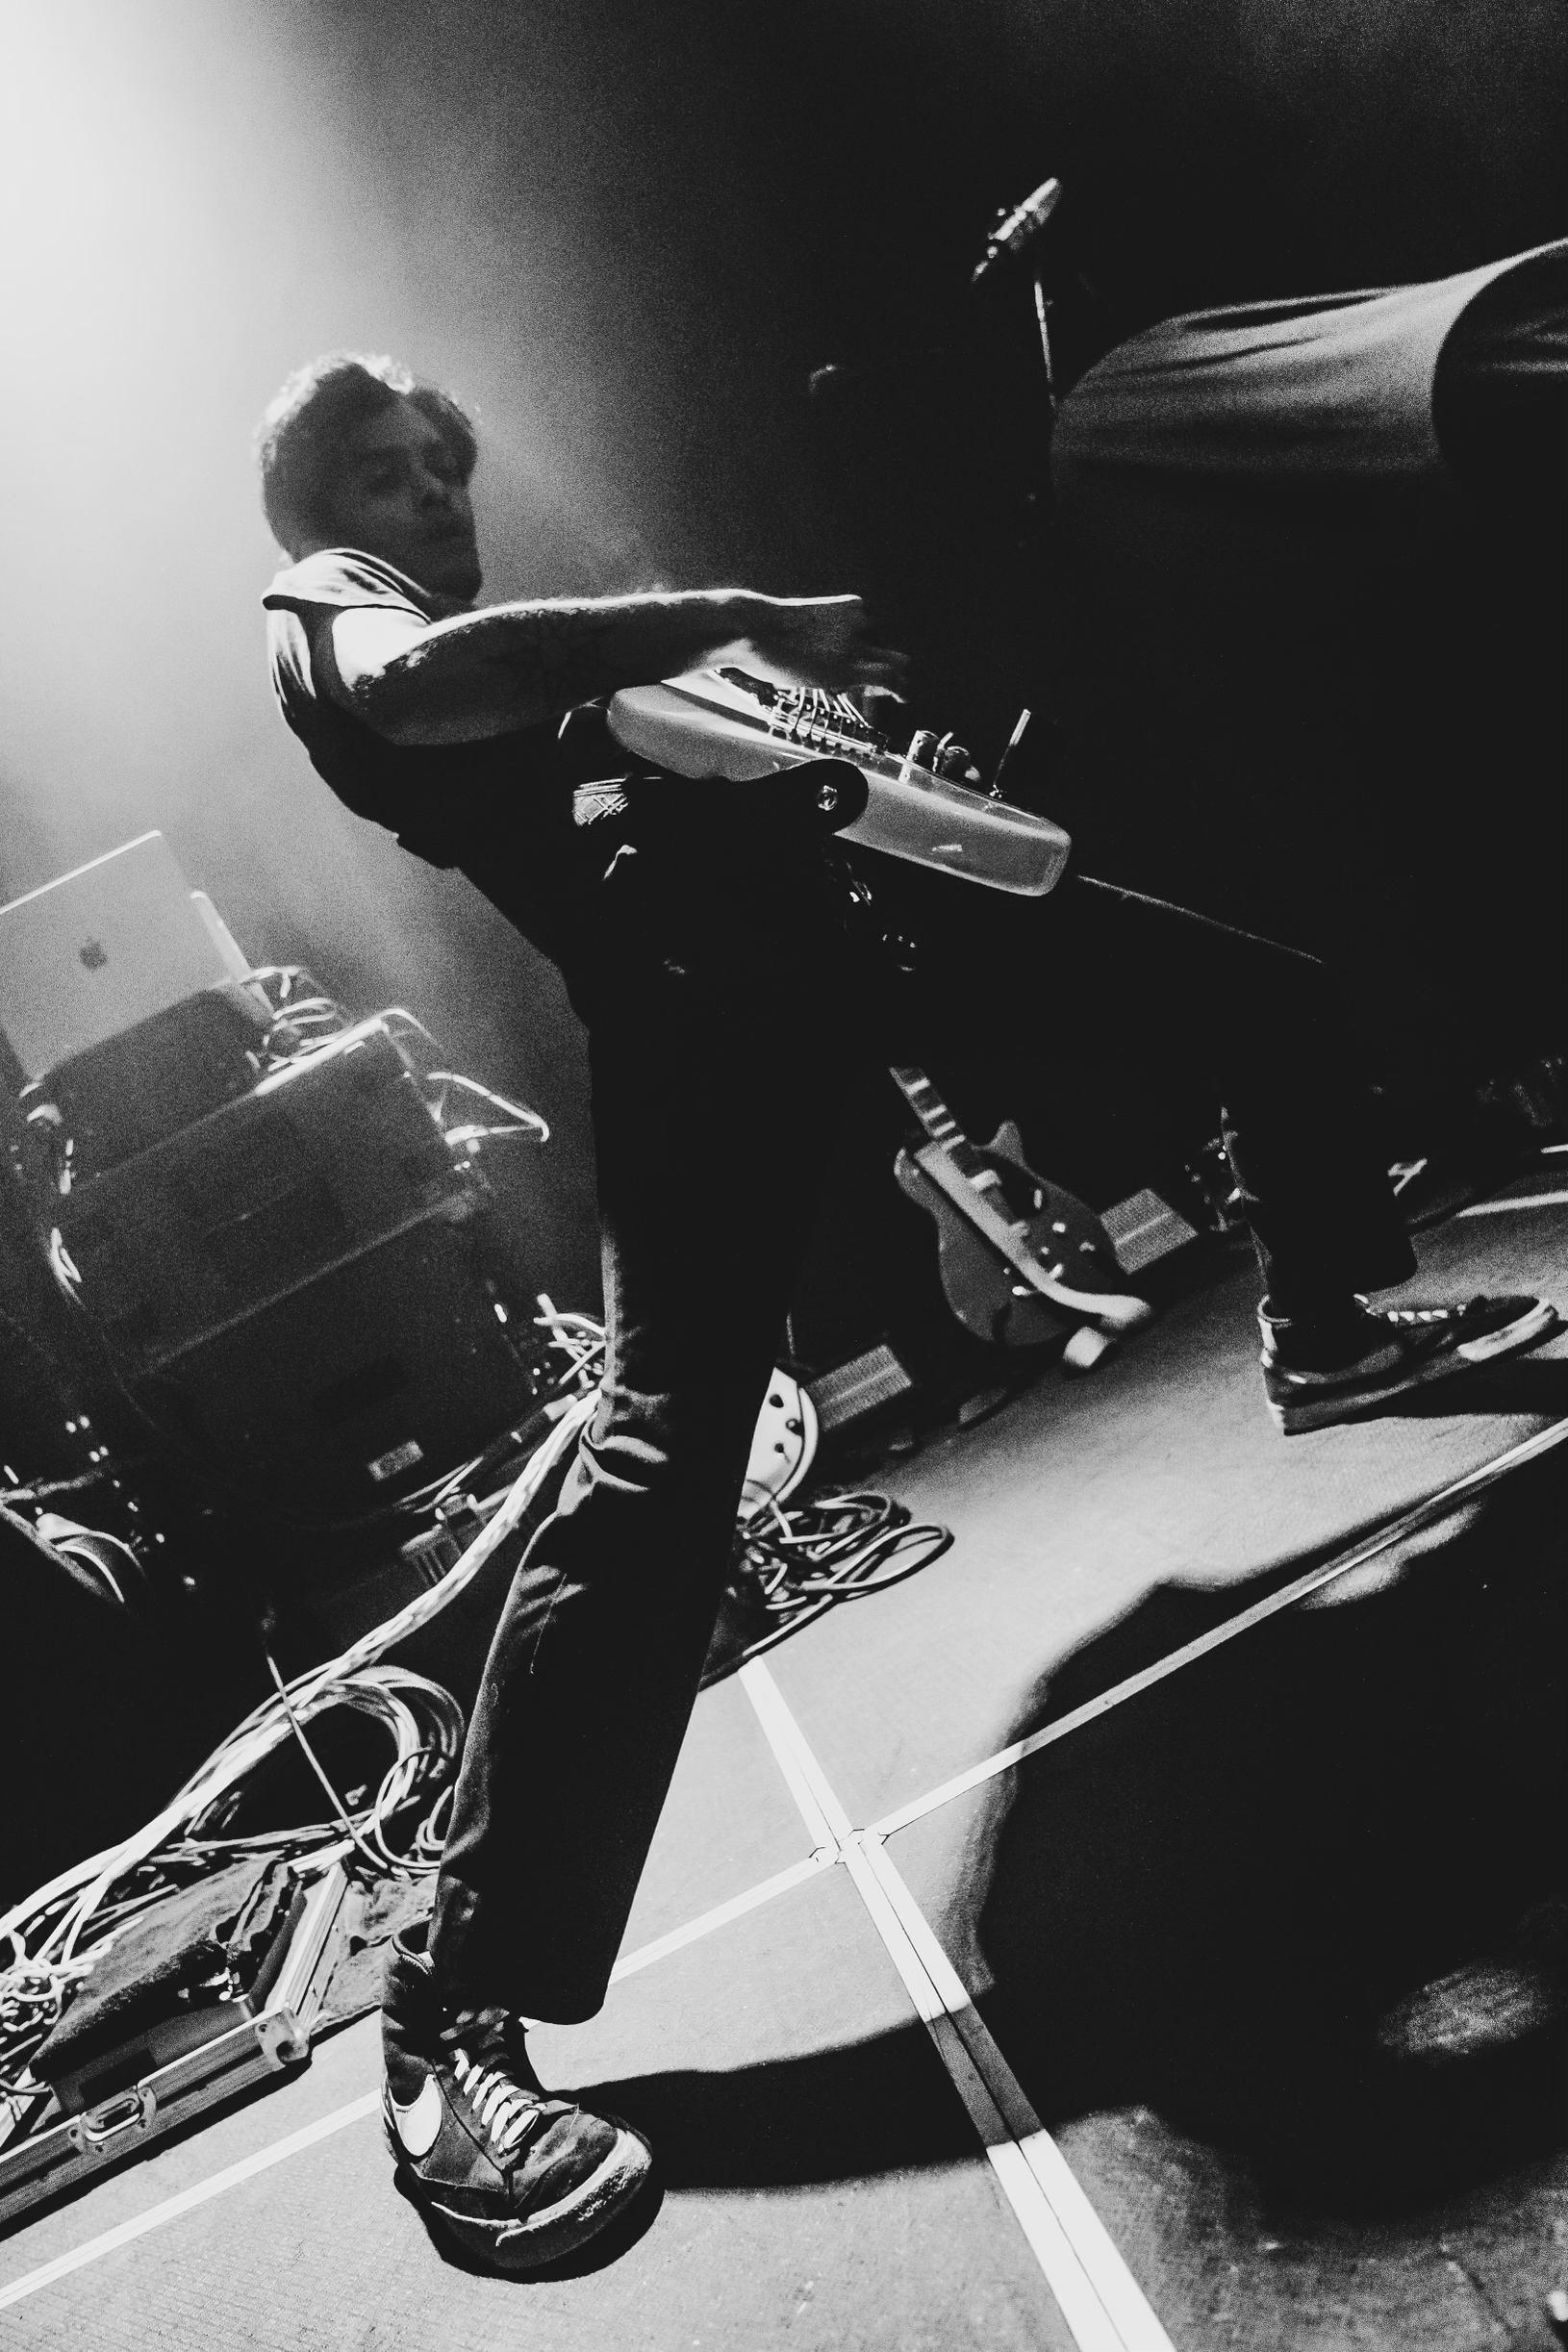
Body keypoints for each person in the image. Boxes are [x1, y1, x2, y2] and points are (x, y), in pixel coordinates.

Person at [255, 351, 1555, 2271]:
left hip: (847, 933)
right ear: (314, 508)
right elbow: (434, 686)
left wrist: (819, 722)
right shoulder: (335, 621)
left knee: (1262, 989)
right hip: (703, 1024)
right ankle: (448, 2012)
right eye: (388, 473)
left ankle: (1328, 1329)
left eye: (447, 467)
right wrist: (727, 618)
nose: (435, 499)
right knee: (663, 1461)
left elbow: (720, 752)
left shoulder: (554, 662)